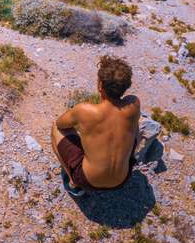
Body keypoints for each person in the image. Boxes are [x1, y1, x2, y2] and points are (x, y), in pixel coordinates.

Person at [51, 55, 140, 197]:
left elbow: (61, 123)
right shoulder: (134, 104)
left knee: (55, 128)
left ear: (100, 85)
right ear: (125, 86)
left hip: (88, 181)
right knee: (135, 127)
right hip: (122, 180)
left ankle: (74, 183)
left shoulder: (85, 110)